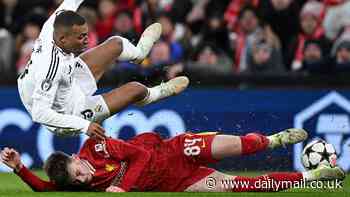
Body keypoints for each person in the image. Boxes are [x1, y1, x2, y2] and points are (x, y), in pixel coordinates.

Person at [17, 0, 189, 139]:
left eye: (86, 34)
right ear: (63, 39)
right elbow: (39, 114)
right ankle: (153, 95)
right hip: (67, 114)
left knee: (116, 43)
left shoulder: (53, 27)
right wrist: (85, 126)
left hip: (68, 82)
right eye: (81, 37)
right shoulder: (50, 68)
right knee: (135, 89)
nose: (87, 40)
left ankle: (139, 54)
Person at [0, 128, 346, 192]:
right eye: (77, 182)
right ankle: (313, 178)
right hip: (178, 183)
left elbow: (137, 155)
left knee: (240, 146)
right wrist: (18, 168)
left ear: (77, 157)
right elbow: (45, 188)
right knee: (243, 187)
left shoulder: (98, 145)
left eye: (79, 172)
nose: (83, 180)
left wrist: (124, 189)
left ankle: (272, 140)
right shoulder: (75, 183)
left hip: (175, 150)